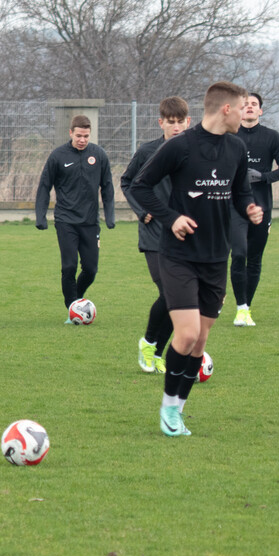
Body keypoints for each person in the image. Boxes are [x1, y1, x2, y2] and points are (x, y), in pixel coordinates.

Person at [131, 81, 262, 437]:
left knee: (200, 342)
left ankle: (178, 408)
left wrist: (249, 207)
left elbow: (240, 191)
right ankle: (168, 408)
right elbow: (140, 186)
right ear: (225, 109)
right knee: (186, 335)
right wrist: (170, 217)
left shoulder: (236, 147)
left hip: (216, 258)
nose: (245, 112)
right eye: (241, 107)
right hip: (179, 256)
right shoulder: (180, 147)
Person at [120, 97, 190, 373]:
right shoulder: (148, 151)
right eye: (170, 122)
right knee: (170, 293)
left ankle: (157, 353)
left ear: (189, 121)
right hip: (153, 235)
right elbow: (127, 182)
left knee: (181, 299)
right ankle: (149, 342)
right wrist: (142, 210)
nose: (175, 127)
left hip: (183, 235)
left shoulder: (193, 152)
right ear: (161, 122)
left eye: (180, 122)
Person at [34, 115, 115, 321]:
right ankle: (72, 309)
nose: (82, 140)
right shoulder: (58, 156)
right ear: (71, 133)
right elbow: (45, 186)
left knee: (91, 269)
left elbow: (107, 187)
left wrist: (110, 214)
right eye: (79, 135)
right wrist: (40, 216)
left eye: (86, 136)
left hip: (90, 222)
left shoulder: (99, 155)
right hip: (65, 220)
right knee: (69, 266)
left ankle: (77, 301)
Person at [229, 92, 279, 326]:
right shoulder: (230, 135)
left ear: (260, 111)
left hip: (262, 206)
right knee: (238, 255)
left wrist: (263, 176)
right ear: (239, 109)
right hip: (234, 206)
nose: (249, 108)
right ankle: (239, 307)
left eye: (254, 104)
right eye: (245, 104)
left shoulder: (271, 137)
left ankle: (246, 308)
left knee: (254, 259)